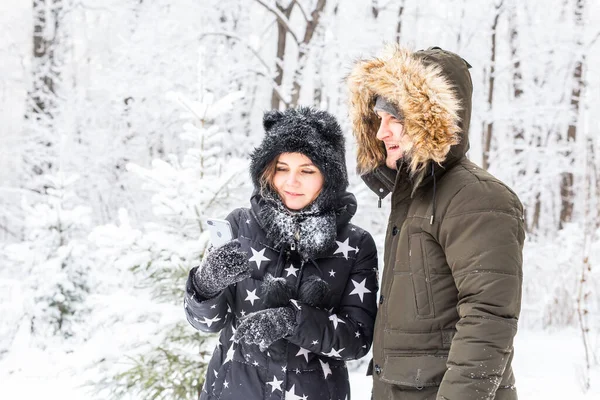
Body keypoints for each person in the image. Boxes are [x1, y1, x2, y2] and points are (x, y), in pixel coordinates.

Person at [347, 45, 525, 400]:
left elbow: (488, 320)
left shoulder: (477, 199)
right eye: (378, 120)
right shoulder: (412, 196)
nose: (382, 133)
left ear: (431, 119)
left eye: (394, 118)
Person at [184, 107, 379, 400]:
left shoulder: (356, 244)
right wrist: (205, 285)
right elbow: (206, 323)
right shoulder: (240, 225)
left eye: (307, 171)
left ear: (329, 177)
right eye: (282, 168)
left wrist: (293, 321)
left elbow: (357, 340)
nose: (291, 182)